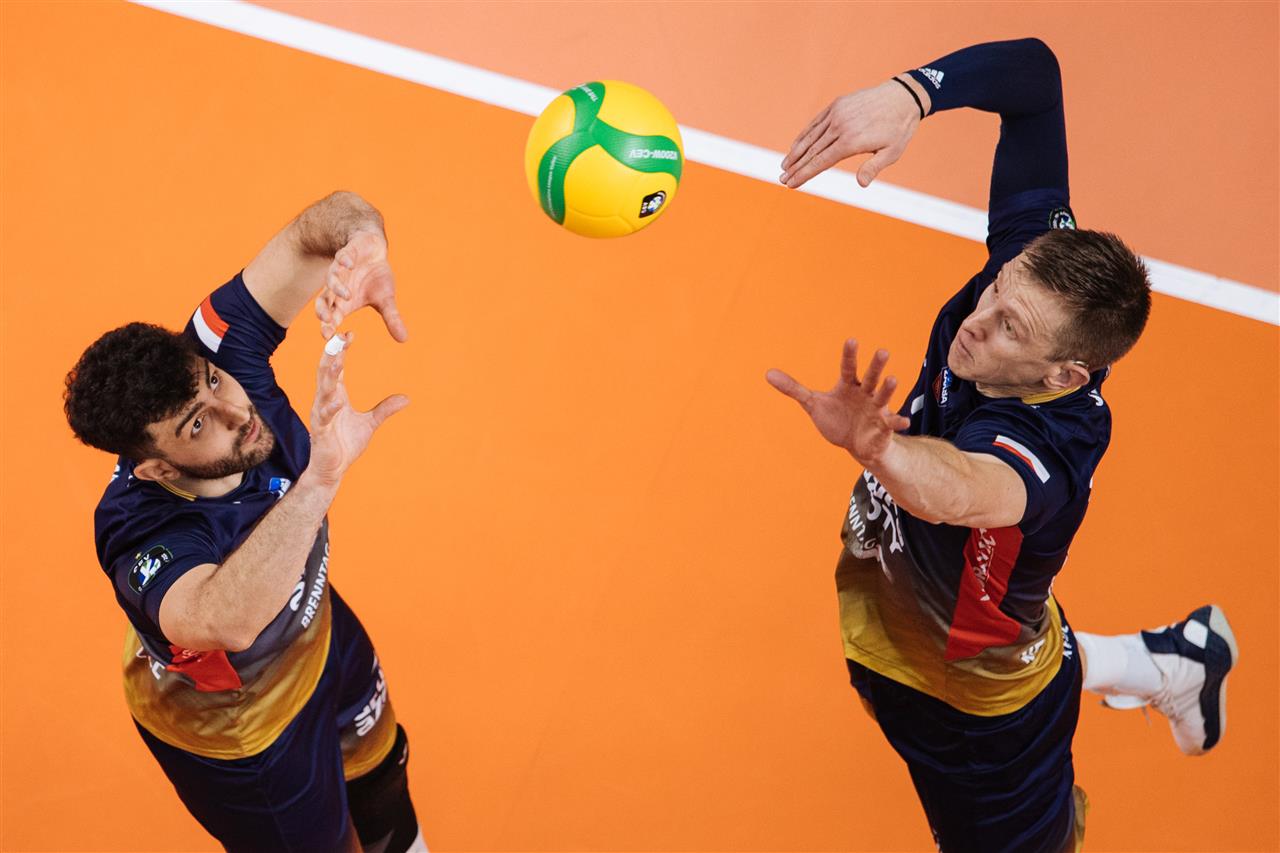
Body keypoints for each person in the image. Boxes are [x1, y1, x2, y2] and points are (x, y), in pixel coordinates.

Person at [767, 39, 1238, 853]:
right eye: (995, 289)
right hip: (933, 625)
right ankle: (1175, 660)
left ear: (1065, 372)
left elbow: (963, 488)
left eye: (1008, 327)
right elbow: (1036, 77)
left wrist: (880, 450)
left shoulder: (1045, 449)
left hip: (980, 722)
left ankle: (1172, 664)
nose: (977, 321)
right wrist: (912, 94)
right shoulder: (1034, 267)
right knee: (1015, 630)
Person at [64, 191, 425, 852]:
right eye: (196, 425)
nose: (235, 412)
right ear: (156, 467)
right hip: (247, 735)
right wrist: (319, 480)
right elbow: (220, 620)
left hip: (316, 627)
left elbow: (318, 229)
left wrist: (363, 243)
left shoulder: (221, 358)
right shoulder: (141, 532)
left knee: (383, 777)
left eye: (211, 382)